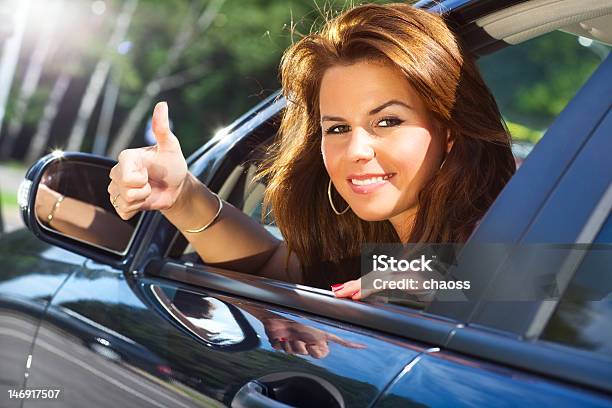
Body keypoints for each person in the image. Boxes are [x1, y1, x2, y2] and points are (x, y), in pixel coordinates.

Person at [107, 3, 515, 301]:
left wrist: (427, 273)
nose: (355, 150)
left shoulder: (500, 228)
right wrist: (182, 195)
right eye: (336, 128)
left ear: (449, 131)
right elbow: (265, 269)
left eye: (387, 121)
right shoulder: (368, 240)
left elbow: (553, 282)